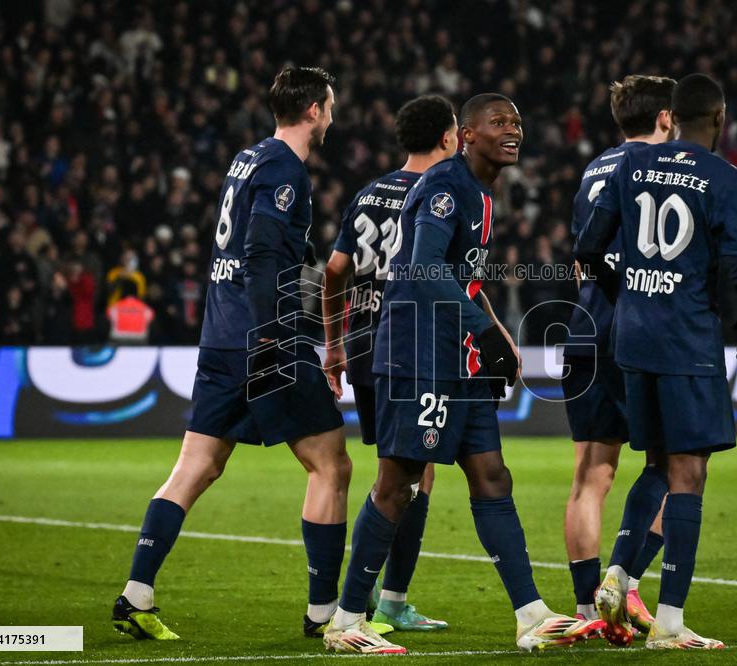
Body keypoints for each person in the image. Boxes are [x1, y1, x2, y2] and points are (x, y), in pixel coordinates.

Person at [110, 67, 383, 642]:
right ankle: (323, 613)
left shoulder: (249, 158)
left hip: (219, 336)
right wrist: (270, 335)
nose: (332, 116)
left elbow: (259, 244)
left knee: (196, 466)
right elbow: (259, 251)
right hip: (266, 339)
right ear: (312, 110)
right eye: (329, 106)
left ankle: (136, 594)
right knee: (331, 464)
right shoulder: (286, 169)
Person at [323, 94, 593, 655]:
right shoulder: (445, 188)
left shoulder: (478, 192)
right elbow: (422, 268)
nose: (512, 130)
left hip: (455, 354)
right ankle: (347, 621)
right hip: (418, 353)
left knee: (492, 475)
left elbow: (461, 278)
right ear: (465, 134)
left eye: (517, 121)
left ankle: (531, 614)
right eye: (498, 122)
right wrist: (486, 330)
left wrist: (487, 334)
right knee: (397, 485)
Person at [575, 73, 737, 650]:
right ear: (721, 116)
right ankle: (671, 622)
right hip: (686, 339)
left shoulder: (631, 167)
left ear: (672, 116)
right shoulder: (725, 178)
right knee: (690, 474)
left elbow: (587, 246)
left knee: (658, 462)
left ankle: (617, 577)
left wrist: (628, 290)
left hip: (632, 339)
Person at [321, 95, 459, 632]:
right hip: (412, 346)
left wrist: (333, 344)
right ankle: (381, 602)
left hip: (362, 345)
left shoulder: (369, 192)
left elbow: (334, 270)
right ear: (448, 138)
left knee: (397, 473)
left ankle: (373, 600)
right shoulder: (443, 193)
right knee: (407, 478)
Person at [562, 75, 676, 637]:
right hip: (633, 324)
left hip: (583, 321)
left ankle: (588, 610)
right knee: (672, 460)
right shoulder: (660, 169)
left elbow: (584, 245)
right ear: (664, 118)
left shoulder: (596, 167)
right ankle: (622, 581)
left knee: (590, 475)